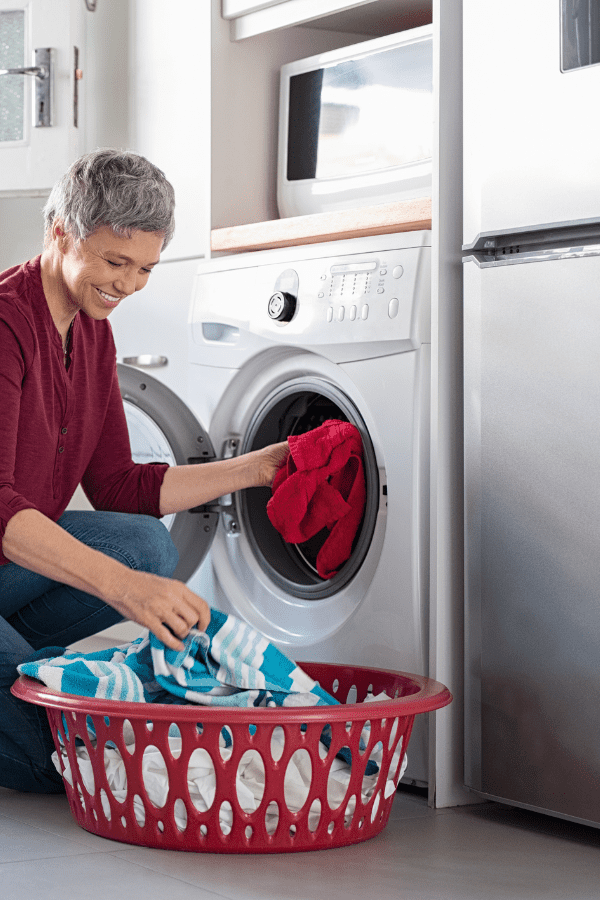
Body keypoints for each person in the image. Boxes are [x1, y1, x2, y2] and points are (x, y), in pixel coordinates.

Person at [0, 148, 289, 793]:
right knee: (61, 760)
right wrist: (124, 591)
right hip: (6, 546)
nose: (127, 285)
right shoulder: (5, 324)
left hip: (8, 574)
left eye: (145, 269)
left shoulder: (93, 331)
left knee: (146, 544)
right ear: (61, 233)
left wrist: (256, 468)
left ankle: (17, 658)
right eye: (114, 261)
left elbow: (121, 489)